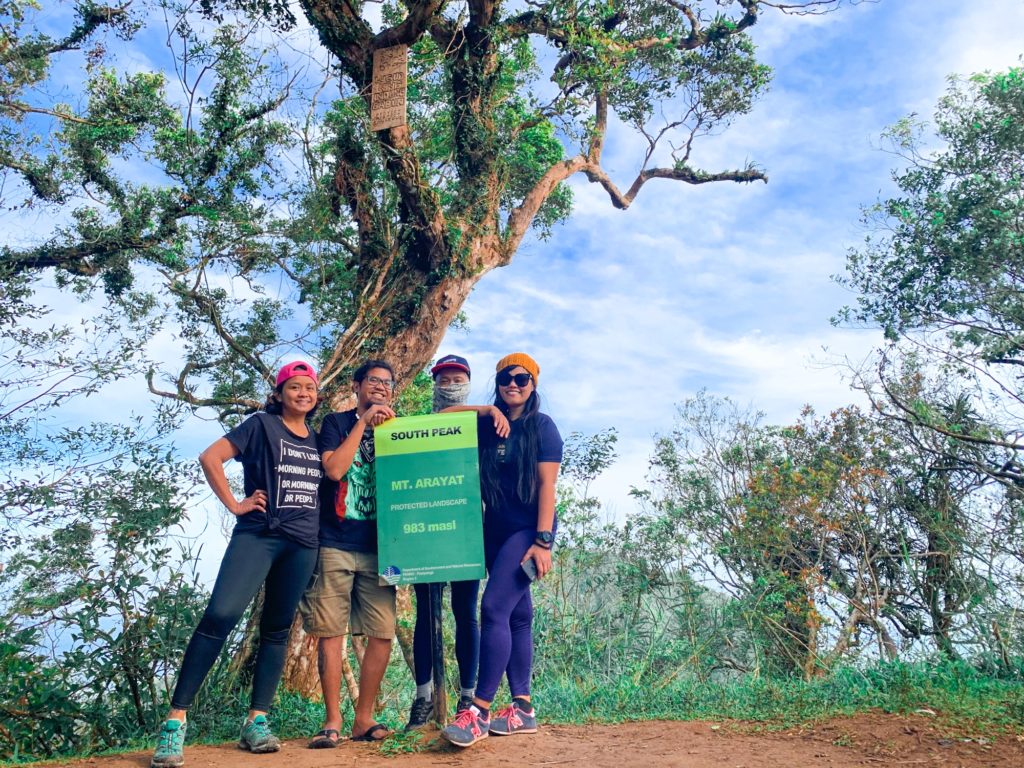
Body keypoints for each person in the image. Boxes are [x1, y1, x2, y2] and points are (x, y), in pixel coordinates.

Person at [151, 361, 323, 768]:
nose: (302, 394)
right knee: (220, 615)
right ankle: (175, 722)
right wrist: (235, 505)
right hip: (259, 535)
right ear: (280, 394)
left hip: (302, 544)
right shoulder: (261, 424)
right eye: (294, 387)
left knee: (278, 630)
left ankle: (256, 721)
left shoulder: (316, 438)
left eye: (309, 388)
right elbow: (211, 457)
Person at [441, 352, 562, 748]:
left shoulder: (542, 427)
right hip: (493, 529)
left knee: (493, 609)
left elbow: (548, 487)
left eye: (522, 378)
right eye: (506, 378)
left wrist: (543, 541)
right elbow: (440, 421)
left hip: (529, 529)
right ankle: (523, 709)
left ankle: (478, 711)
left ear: (533, 384)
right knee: (517, 615)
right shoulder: (486, 426)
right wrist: (484, 409)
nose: (513, 384)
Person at [301, 360, 398, 748]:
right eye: (373, 381)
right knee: (329, 632)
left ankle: (363, 717)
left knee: (382, 632)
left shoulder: (399, 429)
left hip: (381, 548)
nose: (380, 387)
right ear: (357, 386)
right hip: (335, 543)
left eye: (387, 383)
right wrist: (364, 422)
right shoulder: (335, 424)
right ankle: (332, 720)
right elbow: (335, 471)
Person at [405, 354, 482, 731]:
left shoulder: (485, 425)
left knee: (466, 614)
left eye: (457, 377)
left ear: (467, 381)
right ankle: (422, 699)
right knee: (426, 615)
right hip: (426, 536)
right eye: (443, 378)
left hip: (467, 532)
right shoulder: (419, 427)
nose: (450, 383)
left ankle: (468, 698)